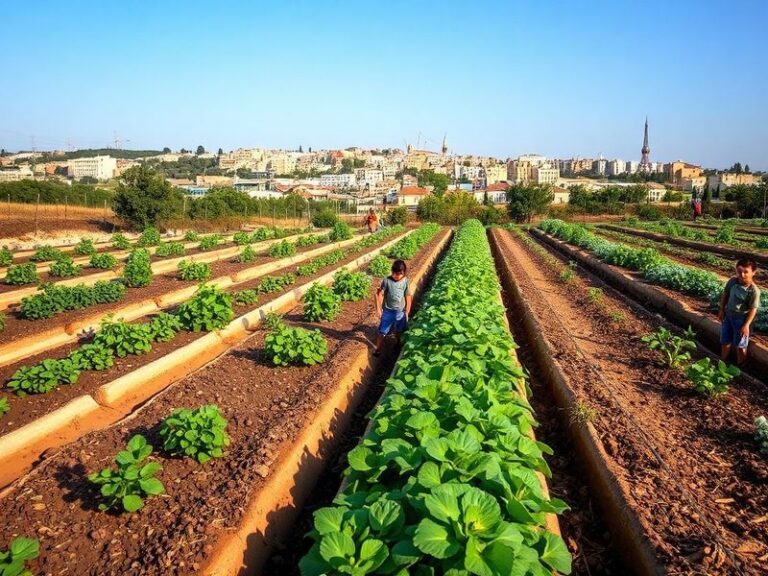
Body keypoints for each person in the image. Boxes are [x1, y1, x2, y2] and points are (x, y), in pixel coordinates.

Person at [718, 258, 761, 365]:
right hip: (728, 316)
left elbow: (753, 309)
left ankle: (740, 368)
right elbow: (725, 295)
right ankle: (722, 362)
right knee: (725, 341)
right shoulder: (732, 282)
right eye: (739, 271)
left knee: (741, 346)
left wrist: (746, 325)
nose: (742, 274)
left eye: (746, 272)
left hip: (741, 320)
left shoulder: (754, 291)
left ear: (753, 272)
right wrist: (722, 310)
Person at [373, 259, 412, 356]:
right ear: (392, 271)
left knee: (399, 330)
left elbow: (408, 296)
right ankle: (378, 349)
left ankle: (398, 343)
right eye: (395, 273)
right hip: (388, 312)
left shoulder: (405, 281)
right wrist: (379, 309)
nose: (397, 276)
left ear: (404, 273)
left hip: (400, 312)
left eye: (400, 274)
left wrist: (407, 311)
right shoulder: (386, 281)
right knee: (382, 332)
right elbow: (379, 295)